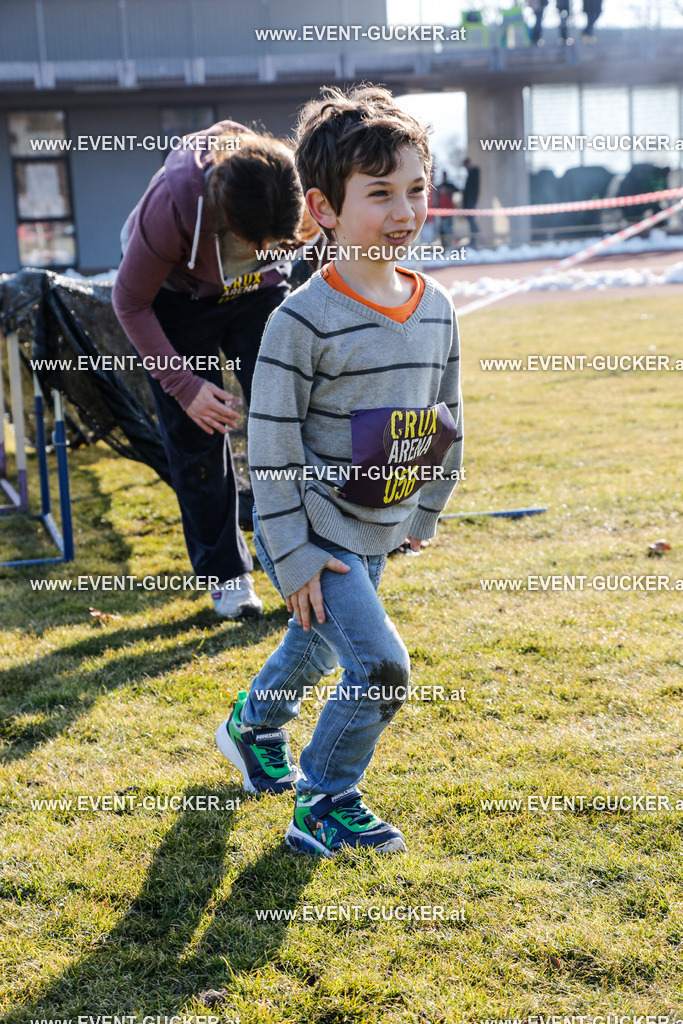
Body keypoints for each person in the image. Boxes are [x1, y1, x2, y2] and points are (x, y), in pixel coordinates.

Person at [214, 85, 464, 857]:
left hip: (378, 526)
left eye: (414, 190)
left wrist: (422, 511)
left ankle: (251, 727)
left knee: (318, 646)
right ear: (323, 208)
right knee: (382, 669)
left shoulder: (436, 308)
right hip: (317, 531)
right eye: (379, 193)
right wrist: (289, 554)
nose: (402, 212)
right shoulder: (298, 321)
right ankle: (325, 797)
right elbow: (272, 446)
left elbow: (443, 418)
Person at [112, 121, 306, 619]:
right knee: (198, 435)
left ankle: (305, 556)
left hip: (256, 294)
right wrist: (184, 386)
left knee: (289, 408)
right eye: (254, 242)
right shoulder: (174, 207)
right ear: (224, 220)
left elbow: (311, 251)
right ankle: (228, 578)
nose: (266, 248)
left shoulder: (287, 191)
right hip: (177, 301)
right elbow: (130, 303)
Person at [436, 170, 457, 248]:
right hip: (442, 215)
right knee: (442, 232)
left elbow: (457, 189)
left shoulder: (449, 187)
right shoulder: (440, 190)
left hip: (448, 215)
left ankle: (449, 246)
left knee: (448, 231)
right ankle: (445, 246)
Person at [462, 157, 481, 241]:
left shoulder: (474, 172)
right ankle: (475, 239)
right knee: (471, 221)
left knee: (472, 221)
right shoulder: (470, 173)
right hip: (469, 201)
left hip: (471, 200)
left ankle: (476, 239)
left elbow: (472, 189)